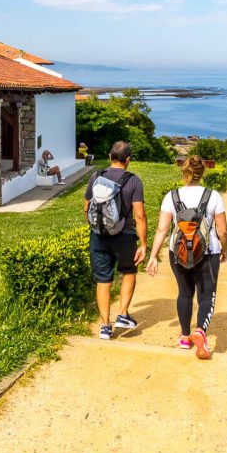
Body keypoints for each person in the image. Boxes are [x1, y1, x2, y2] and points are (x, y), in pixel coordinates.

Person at [146, 155, 227, 360]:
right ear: (203, 172)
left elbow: (161, 229)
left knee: (184, 293)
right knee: (206, 295)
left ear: (184, 172)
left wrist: (153, 255)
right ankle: (200, 332)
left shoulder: (171, 196)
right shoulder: (213, 196)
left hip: (178, 252)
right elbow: (223, 230)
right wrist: (225, 249)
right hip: (208, 252)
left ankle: (185, 337)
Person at [84, 141, 147, 340]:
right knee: (129, 271)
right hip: (125, 236)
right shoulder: (134, 181)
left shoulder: (96, 177)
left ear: (110, 156)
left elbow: (86, 208)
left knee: (103, 280)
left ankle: (104, 325)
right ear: (128, 160)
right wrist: (143, 244)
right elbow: (140, 216)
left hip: (98, 236)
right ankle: (122, 314)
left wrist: (97, 227)